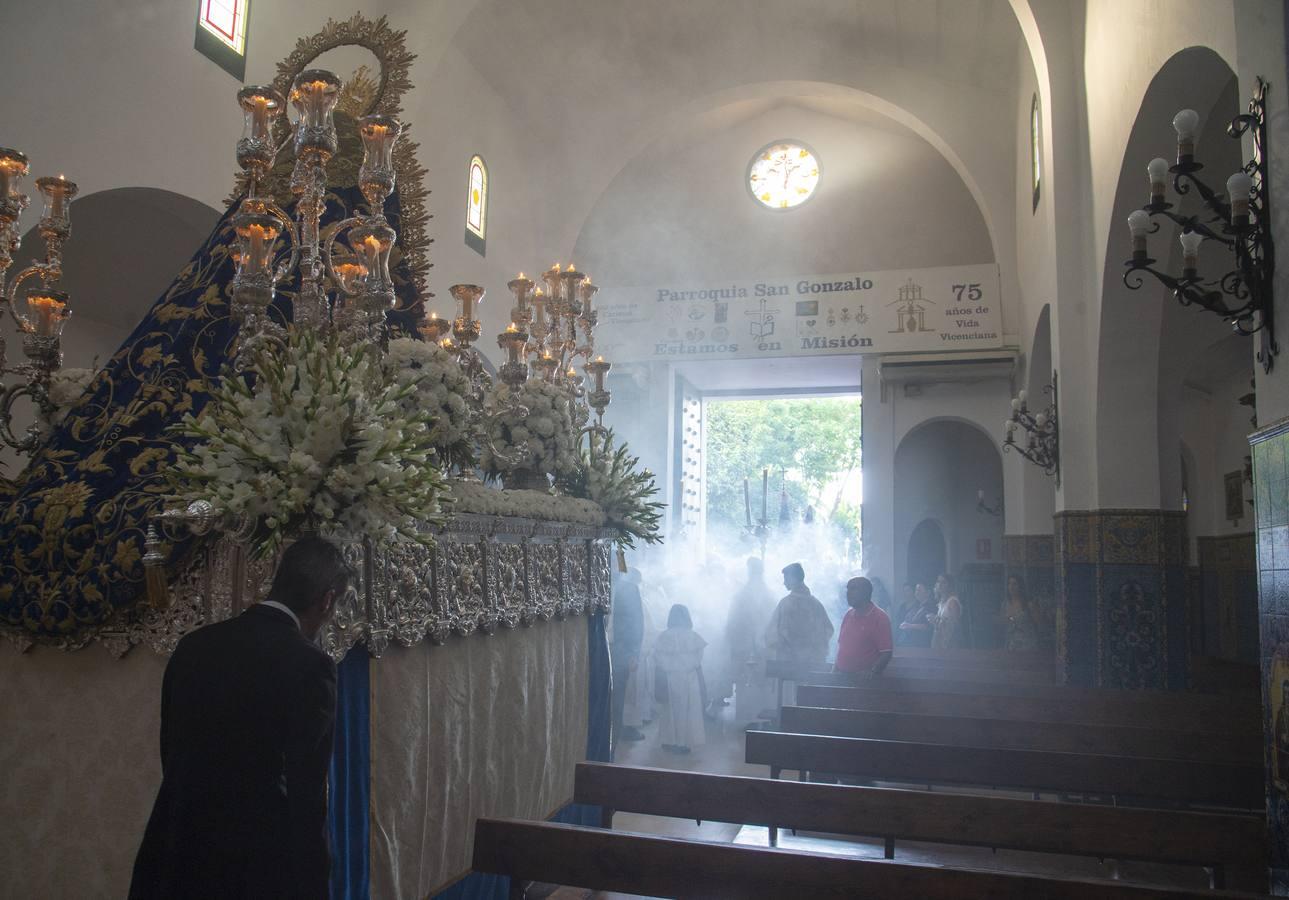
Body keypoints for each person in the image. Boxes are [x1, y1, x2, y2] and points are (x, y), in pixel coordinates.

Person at [129, 536, 350, 900]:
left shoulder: (194, 645)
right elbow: (306, 788)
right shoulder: (311, 666)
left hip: (177, 846)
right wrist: (314, 878)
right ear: (327, 599)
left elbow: (170, 750)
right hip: (257, 863)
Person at [712, 556, 775, 715]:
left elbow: (770, 620)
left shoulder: (754, 594)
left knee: (755, 681)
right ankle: (749, 715)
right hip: (747, 646)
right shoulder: (747, 594)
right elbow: (734, 619)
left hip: (756, 646)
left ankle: (751, 715)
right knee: (746, 681)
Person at [653, 603, 708, 753]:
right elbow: (698, 658)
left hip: (669, 677)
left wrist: (668, 667)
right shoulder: (693, 636)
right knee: (688, 712)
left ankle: (668, 740)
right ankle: (684, 743)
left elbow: (657, 657)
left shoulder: (664, 636)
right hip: (689, 678)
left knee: (668, 712)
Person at [763, 562, 834, 665]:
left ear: (793, 578)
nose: (784, 583)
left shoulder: (785, 604)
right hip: (812, 663)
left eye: (786, 579)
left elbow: (771, 634)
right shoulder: (816, 604)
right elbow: (828, 630)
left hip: (789, 663)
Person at [611, 568, 646, 747]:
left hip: (621, 652)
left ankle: (612, 747)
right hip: (599, 649)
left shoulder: (629, 590)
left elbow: (637, 622)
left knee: (617, 701)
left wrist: (634, 653)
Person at [834, 577, 893, 679]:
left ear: (865, 593)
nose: (848, 593)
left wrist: (872, 672)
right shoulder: (848, 614)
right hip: (841, 676)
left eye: (853, 589)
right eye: (848, 589)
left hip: (863, 680)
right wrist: (835, 667)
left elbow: (886, 653)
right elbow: (842, 646)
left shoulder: (879, 617)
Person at [1000, 574, 1041, 652]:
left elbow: (1039, 622)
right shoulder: (1004, 604)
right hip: (1011, 646)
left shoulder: (1029, 604)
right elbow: (1002, 622)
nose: (1011, 586)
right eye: (1009, 583)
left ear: (1020, 586)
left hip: (1028, 645)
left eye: (1014, 584)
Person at [897, 582, 936, 647]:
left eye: (919, 590)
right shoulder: (917, 605)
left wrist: (910, 625)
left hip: (923, 643)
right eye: (916, 590)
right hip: (912, 642)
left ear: (928, 592)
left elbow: (927, 626)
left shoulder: (931, 607)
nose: (916, 592)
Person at [930, 573, 963, 649]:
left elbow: (954, 627)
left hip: (950, 645)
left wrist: (937, 621)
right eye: (938, 582)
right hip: (940, 642)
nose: (940, 585)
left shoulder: (952, 602)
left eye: (943, 582)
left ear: (949, 585)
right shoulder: (941, 603)